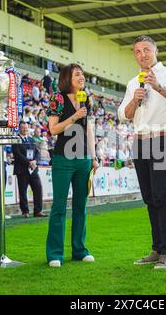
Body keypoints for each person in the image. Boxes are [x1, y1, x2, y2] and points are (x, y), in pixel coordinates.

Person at [118, 35, 166, 269]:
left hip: (163, 139)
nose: (142, 55)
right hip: (140, 141)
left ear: (155, 50)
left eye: (146, 50)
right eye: (137, 51)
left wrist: (157, 86)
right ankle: (157, 248)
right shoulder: (132, 84)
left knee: (162, 196)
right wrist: (134, 100)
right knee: (149, 198)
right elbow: (123, 114)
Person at [46, 63, 99, 267]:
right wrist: (74, 117)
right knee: (59, 207)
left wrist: (94, 157)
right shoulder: (57, 98)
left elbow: (89, 130)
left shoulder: (85, 97)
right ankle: (54, 254)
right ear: (67, 78)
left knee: (81, 207)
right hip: (63, 159)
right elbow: (53, 129)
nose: (82, 77)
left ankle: (80, 250)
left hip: (83, 159)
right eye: (77, 74)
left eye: (82, 74)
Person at [12, 121, 48, 218]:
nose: (25, 129)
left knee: (38, 188)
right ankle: (25, 211)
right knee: (23, 191)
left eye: (26, 128)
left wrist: (35, 161)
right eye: (23, 128)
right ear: (19, 128)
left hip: (33, 169)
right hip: (22, 169)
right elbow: (17, 154)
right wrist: (28, 162)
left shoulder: (31, 139)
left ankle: (38, 211)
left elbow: (37, 152)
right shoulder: (16, 139)